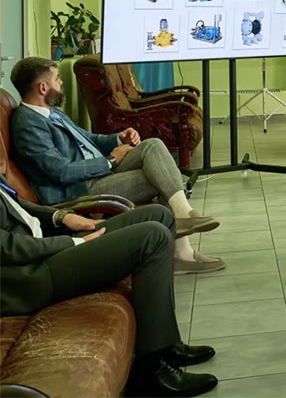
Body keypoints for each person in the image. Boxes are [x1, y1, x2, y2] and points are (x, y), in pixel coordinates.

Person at [0, 176, 219, 397]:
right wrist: (74, 242)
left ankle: (166, 343)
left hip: (45, 245)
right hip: (30, 276)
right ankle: (151, 370)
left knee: (160, 215)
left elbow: (14, 204)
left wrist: (61, 216)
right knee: (153, 237)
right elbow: (6, 247)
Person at [9, 57, 224, 274]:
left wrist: (118, 138)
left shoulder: (51, 112)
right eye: (57, 79)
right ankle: (182, 253)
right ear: (43, 87)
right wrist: (110, 161)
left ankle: (183, 215)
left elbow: (89, 139)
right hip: (81, 187)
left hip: (97, 171)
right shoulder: (28, 124)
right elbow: (61, 172)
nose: (61, 82)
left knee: (153, 146)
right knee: (158, 177)